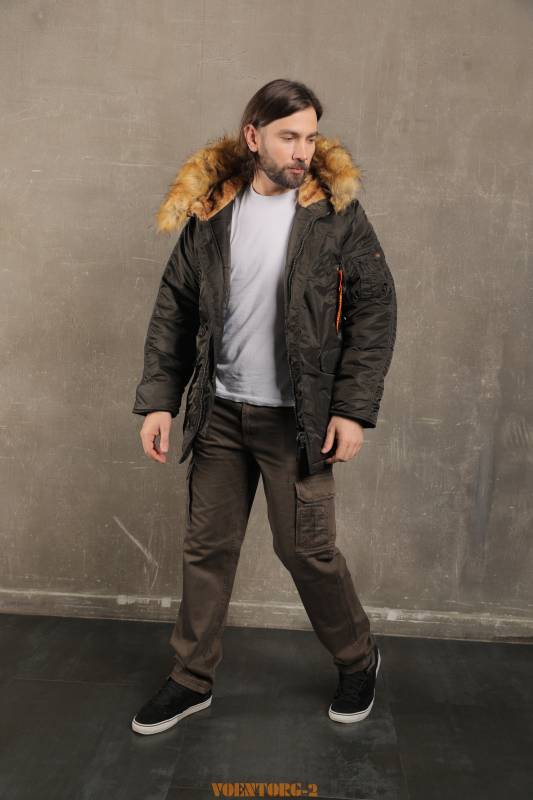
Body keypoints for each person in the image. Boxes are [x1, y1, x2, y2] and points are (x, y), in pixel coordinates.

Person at [130, 78, 397, 735]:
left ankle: (358, 658)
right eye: (288, 137)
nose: (303, 151)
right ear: (253, 136)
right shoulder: (213, 210)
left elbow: (375, 309)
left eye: (310, 137)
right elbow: (175, 307)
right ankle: (190, 678)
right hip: (220, 414)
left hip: (297, 421)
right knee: (206, 550)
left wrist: (351, 410)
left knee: (306, 551)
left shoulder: (334, 215)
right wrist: (160, 401)